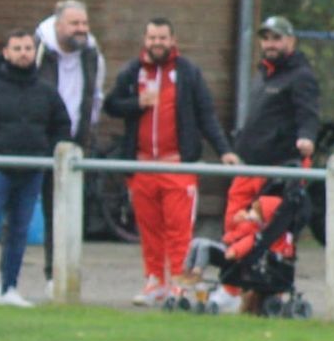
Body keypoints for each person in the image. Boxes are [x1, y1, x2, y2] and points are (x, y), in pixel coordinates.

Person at [102, 18, 239, 304]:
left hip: (177, 165)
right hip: (141, 166)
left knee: (179, 231)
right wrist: (136, 104)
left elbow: (206, 114)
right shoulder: (132, 71)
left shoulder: (188, 72)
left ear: (173, 40)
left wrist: (224, 149)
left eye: (162, 38)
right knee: (150, 231)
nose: (157, 43)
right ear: (145, 40)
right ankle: (154, 283)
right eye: (152, 38)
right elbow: (111, 105)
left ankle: (180, 283)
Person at [215, 16, 322, 313]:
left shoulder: (301, 76)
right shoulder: (263, 75)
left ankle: (261, 292)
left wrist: (306, 138)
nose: (270, 44)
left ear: (290, 42)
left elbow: (308, 114)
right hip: (249, 167)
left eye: (276, 38)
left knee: (265, 233)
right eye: (266, 38)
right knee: (234, 228)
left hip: (277, 171)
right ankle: (230, 287)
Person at [0, 30, 69, 306]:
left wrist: (46, 156)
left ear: (35, 52)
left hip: (31, 172)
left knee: (19, 231)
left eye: (28, 48)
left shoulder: (46, 91)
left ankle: (8, 288)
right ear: (6, 52)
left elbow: (61, 126)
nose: (23, 53)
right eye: (17, 48)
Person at [33, 0, 103, 289]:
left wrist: (88, 134)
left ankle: (57, 276)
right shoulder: (40, 52)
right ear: (59, 24)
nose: (81, 29)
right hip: (41, 140)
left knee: (67, 213)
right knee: (26, 210)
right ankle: (2, 281)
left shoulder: (91, 55)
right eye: (75, 24)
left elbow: (95, 95)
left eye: (84, 24)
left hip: (75, 142)